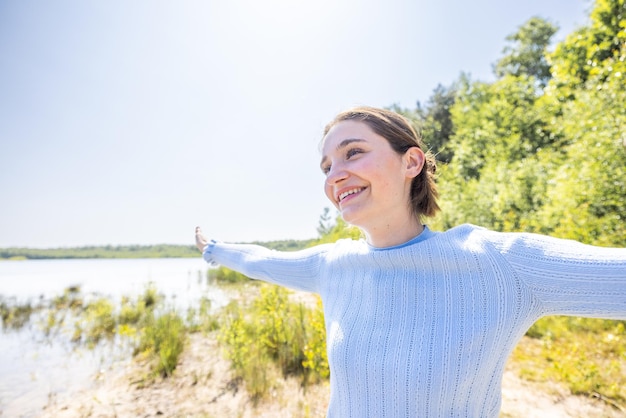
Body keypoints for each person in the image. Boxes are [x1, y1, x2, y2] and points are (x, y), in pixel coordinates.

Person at [195, 106, 626, 417]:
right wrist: (214, 249)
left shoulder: (497, 264)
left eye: (353, 153)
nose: (333, 176)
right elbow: (265, 261)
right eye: (326, 166)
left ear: (412, 161)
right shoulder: (333, 265)